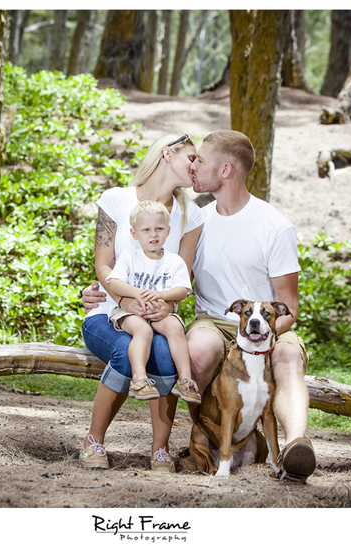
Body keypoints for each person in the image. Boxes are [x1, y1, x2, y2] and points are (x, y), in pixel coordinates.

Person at [84, 130, 315, 481]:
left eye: (200, 161)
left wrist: (257, 339)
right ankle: (200, 440)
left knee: (287, 357)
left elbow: (288, 306)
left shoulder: (269, 225)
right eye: (191, 158)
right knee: (196, 353)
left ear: (224, 171)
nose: (194, 168)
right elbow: (147, 270)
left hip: (263, 324)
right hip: (205, 319)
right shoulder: (198, 217)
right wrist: (109, 290)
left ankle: (297, 445)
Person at [80, 134, 204, 473]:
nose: (197, 165)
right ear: (167, 153)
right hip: (110, 312)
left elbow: (183, 277)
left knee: (164, 355)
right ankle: (93, 440)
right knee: (127, 347)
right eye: (192, 157)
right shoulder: (116, 199)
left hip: (158, 313)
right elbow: (103, 265)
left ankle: (160, 450)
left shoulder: (190, 215)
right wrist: (124, 299)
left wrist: (166, 307)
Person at [104, 200, 202, 405]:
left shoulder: (174, 261)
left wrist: (162, 296)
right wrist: (138, 293)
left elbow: (183, 290)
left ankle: (185, 380)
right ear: (134, 233)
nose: (153, 234)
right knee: (143, 331)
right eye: (146, 230)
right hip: (131, 314)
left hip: (159, 313)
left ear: (168, 231)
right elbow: (114, 282)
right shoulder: (130, 257)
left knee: (175, 326)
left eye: (159, 229)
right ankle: (139, 380)